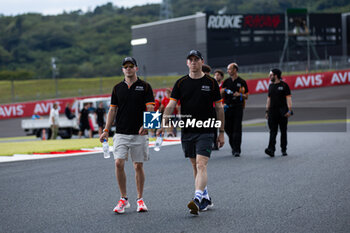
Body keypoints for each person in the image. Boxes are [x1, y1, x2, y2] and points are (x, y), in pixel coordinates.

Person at [157, 50, 225, 215]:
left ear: (202, 61)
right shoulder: (180, 83)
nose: (193, 62)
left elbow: (219, 108)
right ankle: (205, 197)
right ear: (187, 63)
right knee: (195, 166)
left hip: (207, 129)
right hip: (187, 130)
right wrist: (162, 123)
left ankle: (196, 199)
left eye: (196, 59)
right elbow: (171, 105)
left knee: (202, 164)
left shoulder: (211, 83)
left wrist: (221, 132)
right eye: (190, 60)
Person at [100, 57, 155, 214]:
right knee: (118, 163)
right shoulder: (117, 88)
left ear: (136, 68)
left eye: (131, 66)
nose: (128, 69)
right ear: (122, 69)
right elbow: (112, 110)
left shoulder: (145, 87)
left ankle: (140, 199)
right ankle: (123, 199)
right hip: (121, 132)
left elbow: (150, 107)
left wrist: (148, 124)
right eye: (126, 67)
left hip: (139, 132)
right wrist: (105, 130)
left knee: (138, 165)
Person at [221, 62, 249, 157]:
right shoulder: (226, 82)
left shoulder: (242, 82)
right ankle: (233, 145)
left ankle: (237, 150)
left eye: (229, 69)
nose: (228, 71)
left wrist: (240, 95)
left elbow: (247, 96)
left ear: (235, 70)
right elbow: (221, 95)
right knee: (227, 128)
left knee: (237, 128)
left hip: (238, 107)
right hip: (227, 107)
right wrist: (222, 91)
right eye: (228, 69)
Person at [265, 68, 293, 157]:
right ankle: (271, 149)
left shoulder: (284, 85)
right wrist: (267, 111)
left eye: (271, 75)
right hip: (272, 112)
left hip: (282, 112)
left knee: (283, 131)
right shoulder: (270, 86)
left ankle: (283, 149)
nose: (269, 76)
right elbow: (268, 99)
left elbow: (288, 98)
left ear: (276, 75)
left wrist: (290, 110)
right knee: (273, 131)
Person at [212, 69, 225, 150]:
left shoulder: (224, 85)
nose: (216, 76)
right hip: (213, 107)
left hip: (222, 108)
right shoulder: (212, 85)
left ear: (221, 77)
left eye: (218, 75)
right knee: (213, 126)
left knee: (222, 125)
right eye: (215, 75)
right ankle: (215, 143)